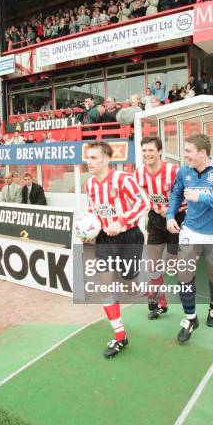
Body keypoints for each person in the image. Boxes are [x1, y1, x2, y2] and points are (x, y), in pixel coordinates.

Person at [166, 134, 213, 343]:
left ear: (202, 153)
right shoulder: (184, 171)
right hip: (190, 230)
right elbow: (176, 194)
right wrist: (170, 215)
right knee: (183, 274)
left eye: (189, 151)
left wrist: (202, 197)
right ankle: (190, 318)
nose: (185, 155)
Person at [84, 141, 150, 358]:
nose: (88, 161)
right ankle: (120, 336)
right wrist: (87, 227)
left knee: (129, 285)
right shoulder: (90, 184)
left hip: (129, 237)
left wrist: (121, 221)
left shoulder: (124, 179)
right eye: (88, 157)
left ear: (106, 159)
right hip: (104, 239)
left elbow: (143, 203)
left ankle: (145, 286)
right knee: (104, 284)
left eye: (93, 158)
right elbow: (92, 209)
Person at [135, 136, 186, 319]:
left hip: (178, 219)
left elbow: (186, 195)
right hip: (156, 220)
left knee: (173, 265)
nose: (147, 154)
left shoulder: (174, 171)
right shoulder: (139, 173)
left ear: (160, 152)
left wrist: (171, 209)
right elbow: (143, 195)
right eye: (145, 150)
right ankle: (161, 302)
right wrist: (156, 208)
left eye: (151, 150)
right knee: (153, 262)